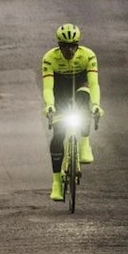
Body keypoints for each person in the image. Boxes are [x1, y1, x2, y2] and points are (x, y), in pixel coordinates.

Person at [41, 23, 103, 201]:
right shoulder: (49, 58)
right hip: (60, 91)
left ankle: (84, 143)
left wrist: (96, 105)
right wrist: (49, 106)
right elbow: (48, 88)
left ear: (78, 45)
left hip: (80, 86)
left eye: (73, 46)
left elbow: (94, 84)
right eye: (65, 46)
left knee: (85, 98)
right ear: (59, 46)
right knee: (58, 134)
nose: (69, 50)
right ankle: (56, 182)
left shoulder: (88, 55)